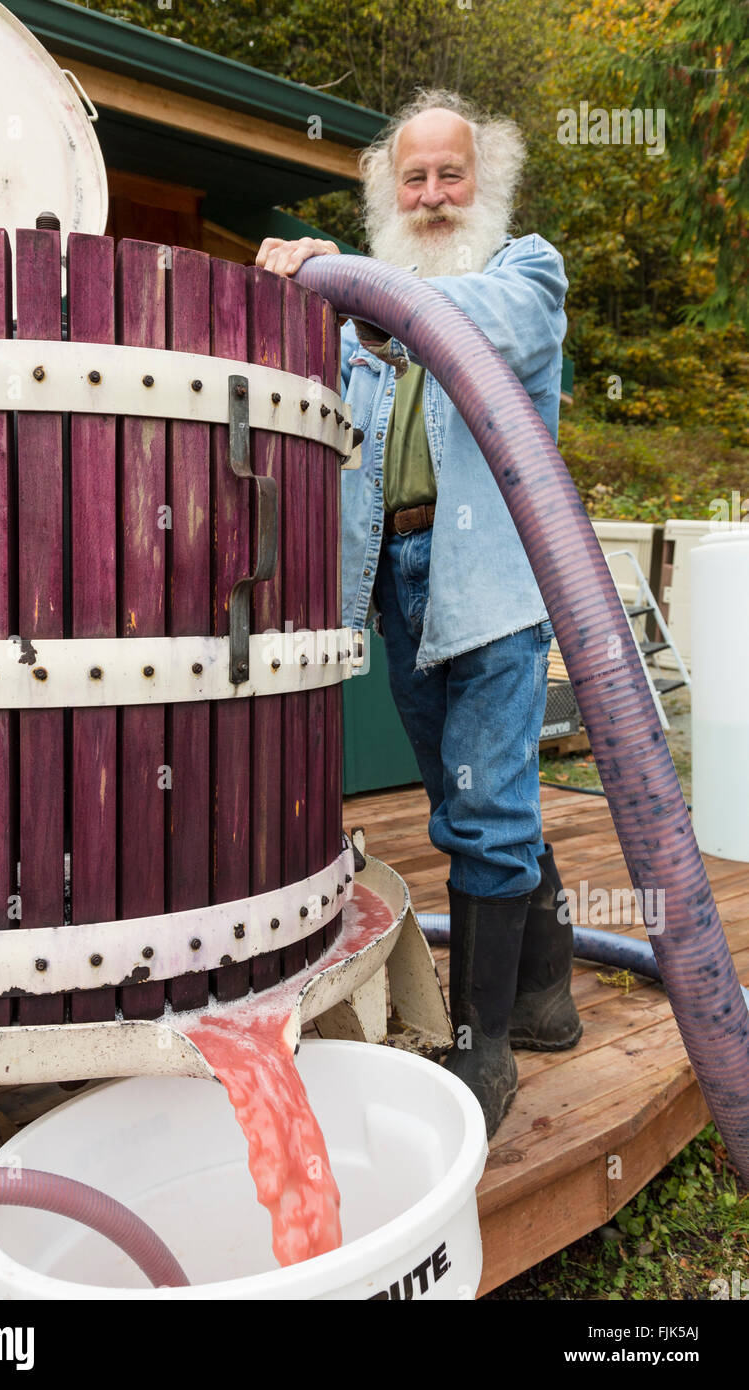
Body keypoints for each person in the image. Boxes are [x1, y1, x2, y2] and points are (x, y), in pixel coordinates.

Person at [256, 90, 581, 1138]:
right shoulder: (359, 323)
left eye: (451, 175)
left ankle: (482, 1045)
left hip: (488, 580)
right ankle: (541, 997)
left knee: (482, 813)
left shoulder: (521, 275)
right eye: (414, 178)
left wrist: (344, 279)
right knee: (469, 793)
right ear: (387, 192)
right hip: (396, 581)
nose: (432, 195)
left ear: (484, 184)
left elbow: (462, 326)